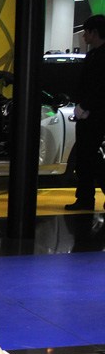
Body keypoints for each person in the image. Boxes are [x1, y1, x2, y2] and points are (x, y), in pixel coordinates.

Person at [66, 14, 105, 211]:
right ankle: (84, 198)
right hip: (90, 113)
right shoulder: (93, 55)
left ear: (94, 32)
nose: (83, 37)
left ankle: (85, 198)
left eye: (86, 32)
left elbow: (99, 88)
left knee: (87, 157)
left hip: (95, 115)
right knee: (86, 157)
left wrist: (85, 106)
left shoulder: (99, 57)